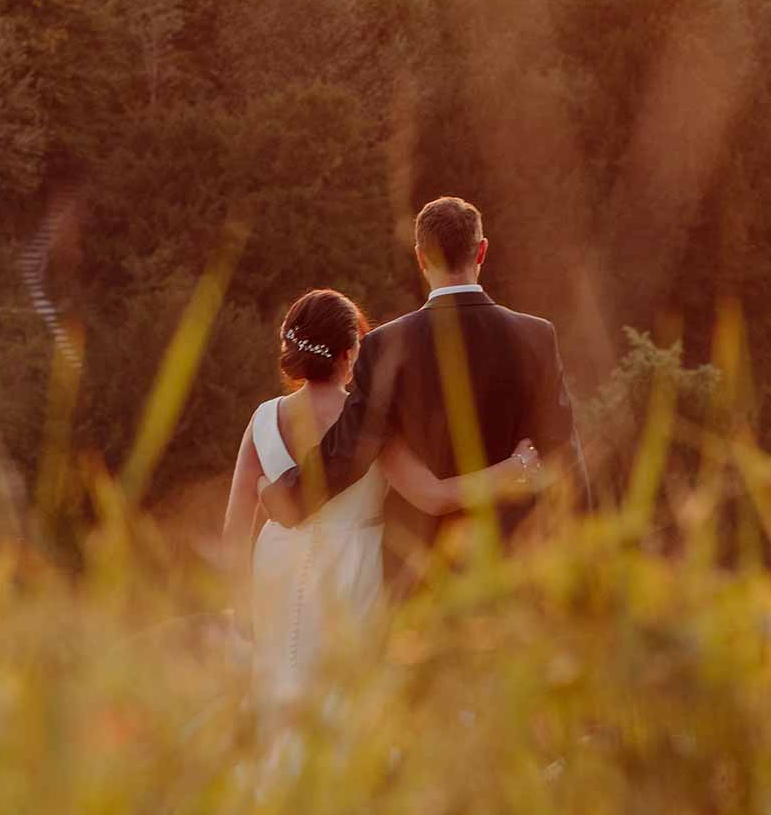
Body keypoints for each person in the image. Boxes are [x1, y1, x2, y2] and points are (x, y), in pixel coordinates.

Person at [219, 286, 540, 715]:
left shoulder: (263, 418)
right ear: (352, 352)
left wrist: (241, 605)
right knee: (344, 699)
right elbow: (433, 496)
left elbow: (235, 528)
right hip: (350, 572)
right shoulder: (368, 422)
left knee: (278, 692)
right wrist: (513, 467)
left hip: (275, 568)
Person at [262, 196, 583, 582]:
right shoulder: (536, 336)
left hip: (421, 569)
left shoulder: (385, 346)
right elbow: (564, 455)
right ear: (481, 250)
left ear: (420, 258)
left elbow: (346, 453)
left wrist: (285, 499)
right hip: (518, 564)